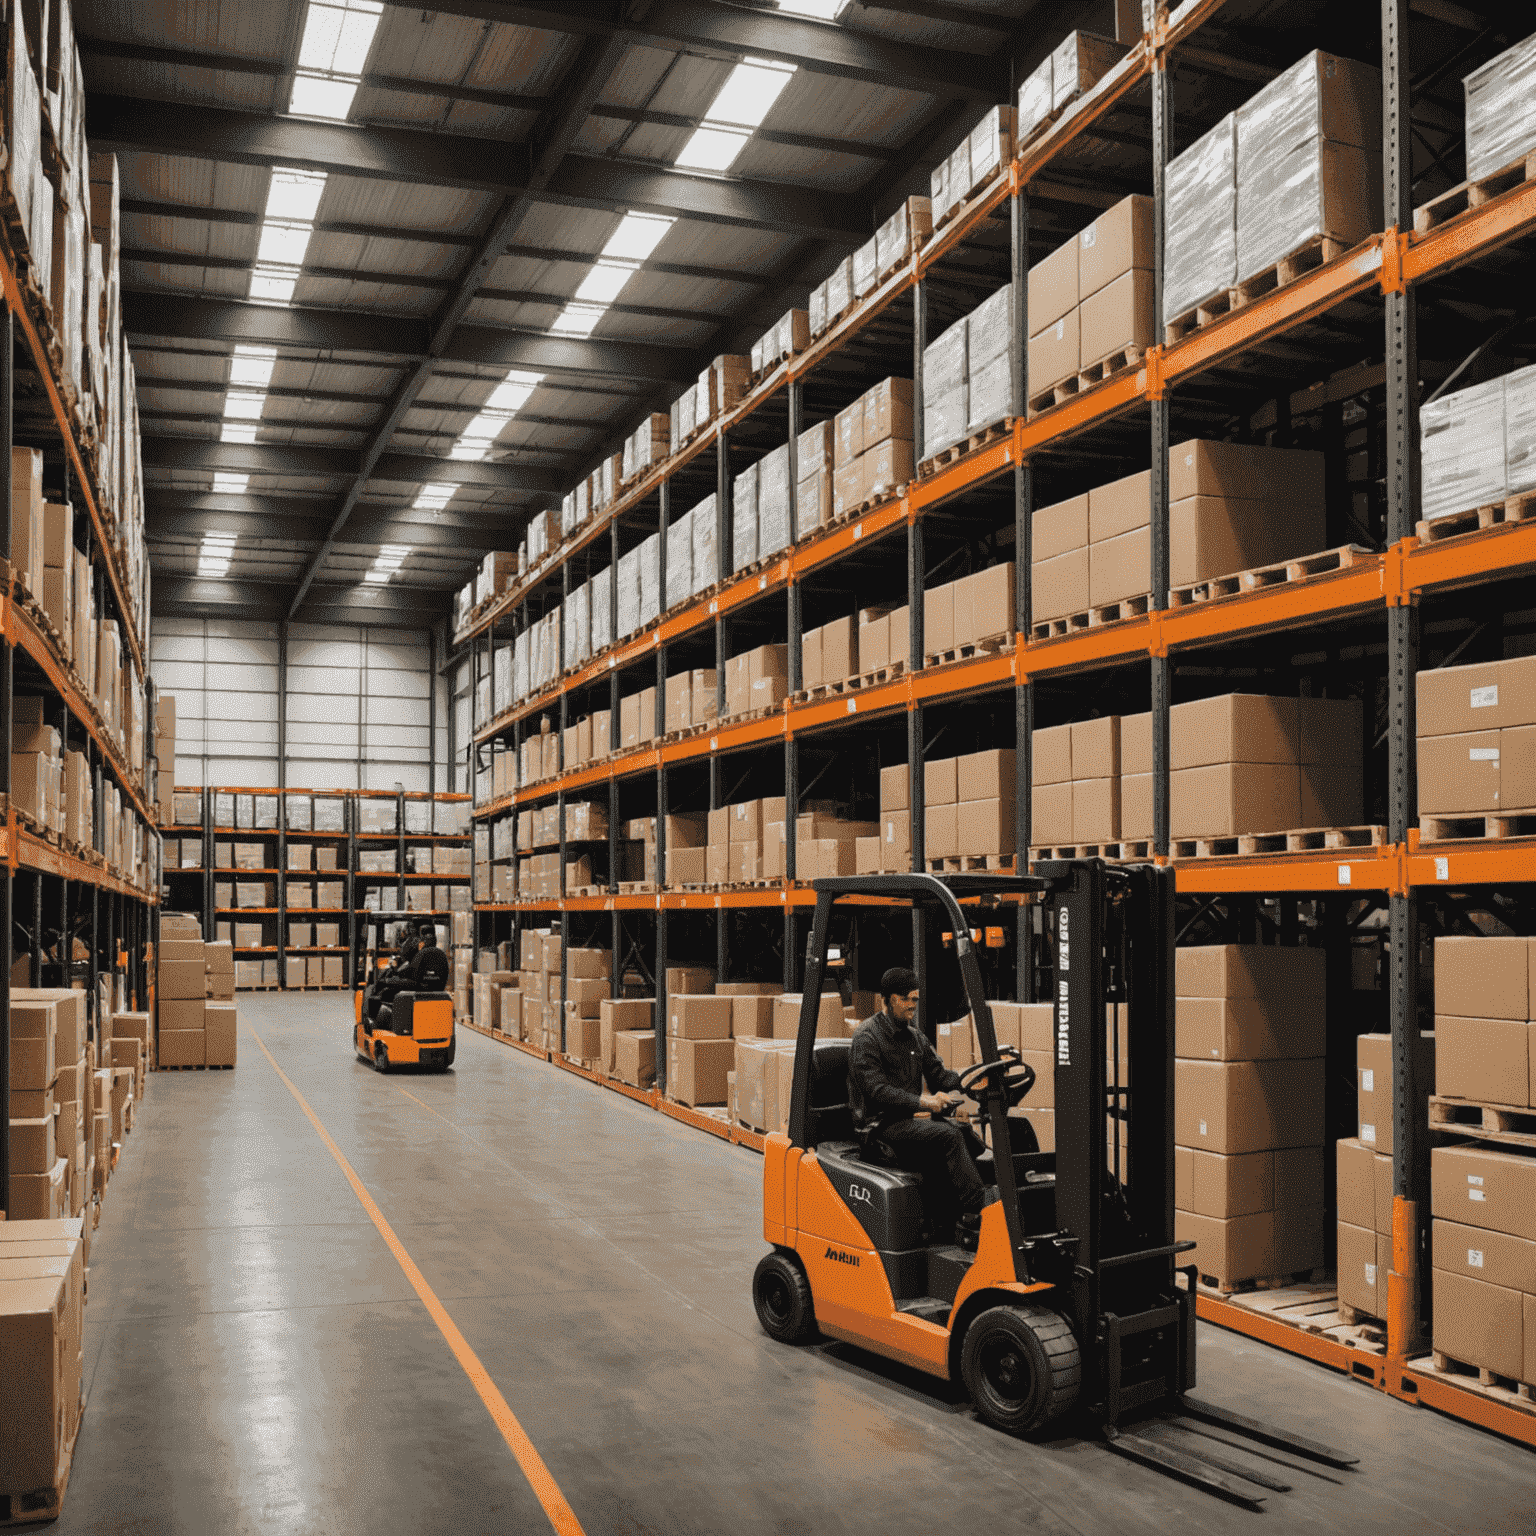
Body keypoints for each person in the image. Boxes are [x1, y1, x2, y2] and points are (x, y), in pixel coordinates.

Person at [848, 966, 997, 1243]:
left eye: (916, 1000)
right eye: (908, 999)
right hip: (880, 1126)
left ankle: (947, 1215)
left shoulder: (914, 1036)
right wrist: (925, 1102)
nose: (913, 1006)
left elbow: (939, 1074)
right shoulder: (867, 1038)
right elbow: (877, 1091)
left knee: (966, 1136)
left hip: (907, 1120)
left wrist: (970, 1080)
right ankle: (978, 1212)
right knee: (948, 1136)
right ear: (889, 999)